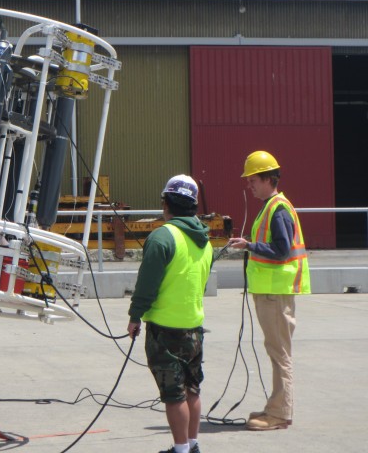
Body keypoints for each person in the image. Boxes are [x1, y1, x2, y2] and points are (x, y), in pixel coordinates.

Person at [127, 174, 213, 453]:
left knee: (174, 395)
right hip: (194, 328)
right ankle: (192, 445)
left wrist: (134, 315)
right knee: (192, 389)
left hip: (165, 330)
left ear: (166, 203)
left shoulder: (162, 237)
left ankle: (180, 450)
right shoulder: (205, 241)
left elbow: (147, 284)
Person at [228, 150, 310, 431]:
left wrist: (249, 246)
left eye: (252, 180)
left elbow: (281, 250)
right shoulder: (272, 206)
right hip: (270, 291)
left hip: (276, 293)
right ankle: (275, 407)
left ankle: (279, 413)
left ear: (266, 179)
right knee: (276, 351)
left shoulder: (278, 209)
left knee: (279, 354)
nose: (249, 185)